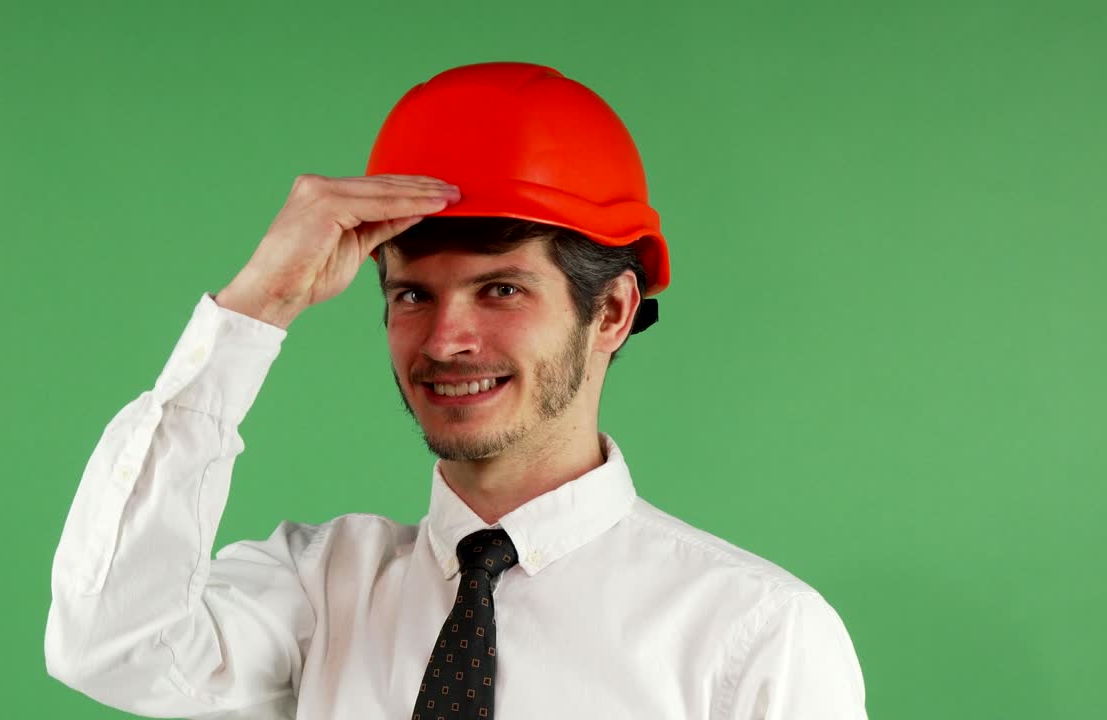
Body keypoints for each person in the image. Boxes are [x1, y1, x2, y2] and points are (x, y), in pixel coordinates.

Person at [44, 61, 868, 719]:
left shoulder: (754, 635)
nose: (445, 341)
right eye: (412, 294)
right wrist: (256, 305)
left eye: (502, 289)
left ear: (612, 310)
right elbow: (112, 644)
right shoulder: (319, 591)